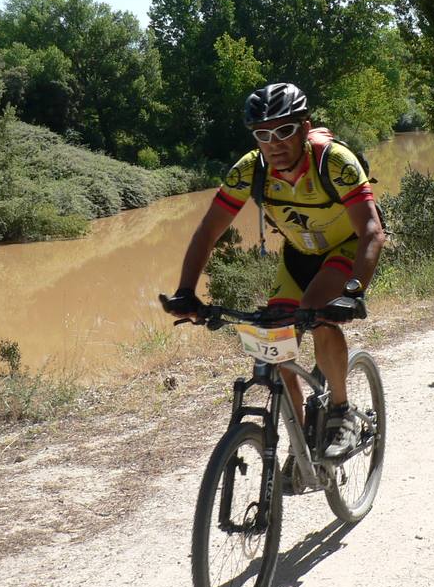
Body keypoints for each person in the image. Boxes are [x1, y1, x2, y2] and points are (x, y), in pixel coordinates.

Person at [163, 82, 385, 463]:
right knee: (273, 339)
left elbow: (372, 231)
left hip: (345, 248)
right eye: (263, 134)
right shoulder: (249, 170)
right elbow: (207, 232)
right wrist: (186, 291)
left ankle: (342, 411)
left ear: (304, 127)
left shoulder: (334, 162)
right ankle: (301, 448)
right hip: (298, 254)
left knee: (318, 312)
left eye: (284, 130)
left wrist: (353, 291)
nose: (274, 142)